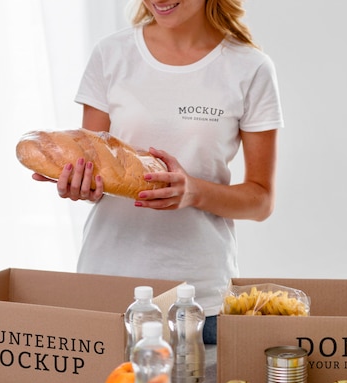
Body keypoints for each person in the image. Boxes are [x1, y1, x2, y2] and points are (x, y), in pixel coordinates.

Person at [33, 0, 283, 344]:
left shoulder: (249, 68)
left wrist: (194, 192)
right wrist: (82, 184)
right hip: (106, 287)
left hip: (196, 300)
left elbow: (261, 201)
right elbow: (98, 162)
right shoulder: (111, 54)